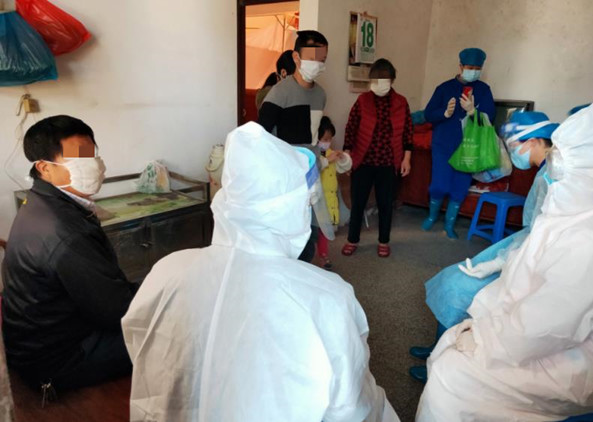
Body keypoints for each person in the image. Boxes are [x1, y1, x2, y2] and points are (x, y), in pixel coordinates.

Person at [122, 122, 400, 422]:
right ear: (290, 207)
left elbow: (142, 349)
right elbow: (353, 408)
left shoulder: (166, 272)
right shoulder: (327, 298)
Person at [416, 101, 593, 421]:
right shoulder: (567, 206)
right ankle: (441, 346)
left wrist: (484, 337)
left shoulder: (584, 236)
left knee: (459, 294)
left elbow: (544, 325)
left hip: (550, 347)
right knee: (458, 285)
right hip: (523, 262)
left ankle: (443, 350)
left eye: (559, 157)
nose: (554, 162)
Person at [408, 111, 559, 383]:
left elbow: (543, 235)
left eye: (514, 145)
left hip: (528, 254)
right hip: (520, 245)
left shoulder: (552, 178)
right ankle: (437, 349)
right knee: (455, 280)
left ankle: (440, 362)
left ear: (534, 141)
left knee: (458, 287)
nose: (512, 153)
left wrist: (501, 261)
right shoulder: (547, 170)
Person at [1, 115, 135, 391]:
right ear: (44, 168)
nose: (92, 165)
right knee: (175, 329)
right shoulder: (65, 231)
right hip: (58, 358)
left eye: (91, 155)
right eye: (78, 158)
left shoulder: (39, 201)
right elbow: (116, 312)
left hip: (38, 339)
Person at [258, 30, 328, 263]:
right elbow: (261, 137)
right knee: (286, 234)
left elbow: (313, 137)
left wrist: (317, 168)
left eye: (322, 59)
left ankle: (302, 274)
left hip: (310, 173)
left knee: (309, 233)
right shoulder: (279, 93)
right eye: (313, 58)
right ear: (296, 58)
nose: (318, 64)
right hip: (285, 175)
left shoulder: (320, 95)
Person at [342, 58, 413, 258]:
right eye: (375, 79)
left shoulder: (401, 102)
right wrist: (347, 155)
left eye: (384, 79)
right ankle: (352, 239)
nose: (379, 83)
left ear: (392, 80)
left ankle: (383, 241)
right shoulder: (363, 100)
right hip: (363, 161)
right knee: (358, 203)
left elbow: (408, 132)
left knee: (385, 204)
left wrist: (406, 159)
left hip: (389, 162)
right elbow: (351, 127)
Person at [422, 48, 495, 238]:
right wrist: (444, 113)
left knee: (459, 188)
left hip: (469, 148)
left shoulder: (483, 90)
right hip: (443, 145)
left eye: (477, 68)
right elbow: (429, 114)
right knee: (439, 185)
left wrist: (473, 112)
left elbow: (490, 119)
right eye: (470, 67)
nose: (474, 71)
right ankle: (431, 216)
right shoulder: (444, 88)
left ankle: (449, 224)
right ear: (461, 66)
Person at [315, 116, 352, 269]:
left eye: (330, 139)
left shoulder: (330, 153)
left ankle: (323, 256)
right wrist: (326, 160)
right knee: (313, 231)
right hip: (315, 201)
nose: (328, 142)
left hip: (328, 200)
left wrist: (343, 158)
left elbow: (344, 168)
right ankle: (310, 258)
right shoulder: (312, 154)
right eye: (325, 139)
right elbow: (312, 169)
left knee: (324, 232)